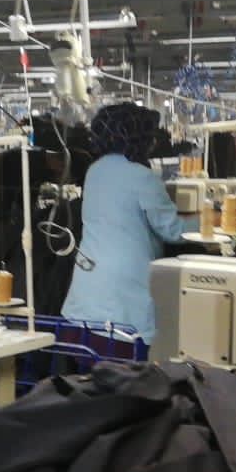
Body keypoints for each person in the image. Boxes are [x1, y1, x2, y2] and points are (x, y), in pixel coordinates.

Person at [60, 103, 189, 345]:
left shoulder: (95, 171)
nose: (154, 142)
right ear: (139, 139)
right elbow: (173, 230)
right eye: (150, 136)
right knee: (124, 364)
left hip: (88, 286)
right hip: (124, 295)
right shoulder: (142, 177)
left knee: (91, 362)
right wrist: (211, 223)